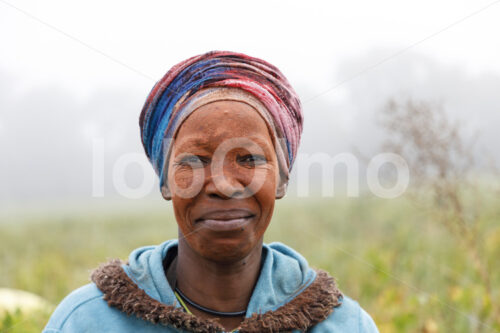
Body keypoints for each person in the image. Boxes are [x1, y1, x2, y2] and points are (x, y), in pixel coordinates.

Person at [43, 51, 379, 332]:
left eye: (249, 158)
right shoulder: (87, 321)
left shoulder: (343, 325)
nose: (224, 185)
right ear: (165, 181)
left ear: (281, 178)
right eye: (195, 160)